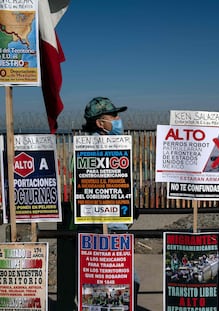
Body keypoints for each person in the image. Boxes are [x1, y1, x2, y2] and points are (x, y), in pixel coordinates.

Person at [82, 96, 140, 310]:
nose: (118, 119)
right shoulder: (95, 147)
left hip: (113, 224)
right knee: (122, 282)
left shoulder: (110, 144)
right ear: (100, 123)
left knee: (113, 284)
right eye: (113, 116)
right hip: (106, 227)